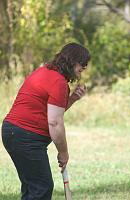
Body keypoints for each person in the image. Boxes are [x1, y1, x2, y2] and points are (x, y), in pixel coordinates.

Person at [1, 42, 91, 200]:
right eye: (82, 65)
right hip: (25, 137)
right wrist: (63, 152)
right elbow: (55, 123)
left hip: (15, 133)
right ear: (73, 61)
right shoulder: (58, 82)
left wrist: (73, 99)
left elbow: (52, 112)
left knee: (32, 188)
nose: (83, 69)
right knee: (41, 188)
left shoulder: (47, 72)